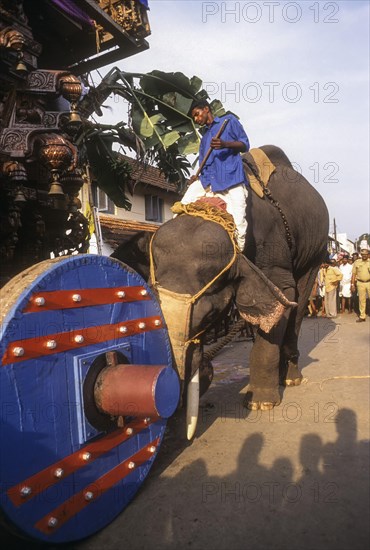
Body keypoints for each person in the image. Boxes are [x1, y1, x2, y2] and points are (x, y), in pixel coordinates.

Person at [181, 99, 250, 250]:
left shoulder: (229, 121)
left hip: (231, 179)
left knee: (238, 222)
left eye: (197, 114)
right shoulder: (205, 139)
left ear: (206, 109)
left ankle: (239, 255)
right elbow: (203, 166)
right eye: (194, 118)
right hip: (209, 181)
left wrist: (225, 144)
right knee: (183, 205)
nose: (197, 119)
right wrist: (196, 177)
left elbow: (245, 144)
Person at [351, 248, 370, 322]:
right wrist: (352, 284)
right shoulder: (357, 262)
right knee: (361, 300)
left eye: (366, 254)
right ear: (361, 255)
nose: (364, 256)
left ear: (368, 255)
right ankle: (362, 316)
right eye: (363, 255)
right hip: (360, 283)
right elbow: (353, 274)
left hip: (369, 282)